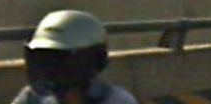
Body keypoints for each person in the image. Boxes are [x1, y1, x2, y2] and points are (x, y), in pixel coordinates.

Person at [10, 10, 138, 104]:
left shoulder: (115, 100)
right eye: (43, 58)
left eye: (60, 59)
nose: (50, 68)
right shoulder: (33, 98)